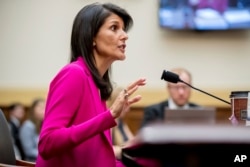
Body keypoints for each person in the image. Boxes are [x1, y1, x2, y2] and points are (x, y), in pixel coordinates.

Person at [35, 2, 146, 167]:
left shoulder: (96, 85)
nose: (124, 35)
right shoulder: (74, 74)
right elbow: (47, 143)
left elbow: (96, 158)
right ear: (92, 37)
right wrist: (109, 116)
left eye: (123, 29)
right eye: (114, 28)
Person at [107, 87, 134, 160]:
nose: (128, 109)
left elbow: (132, 142)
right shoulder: (108, 124)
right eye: (126, 105)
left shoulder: (121, 122)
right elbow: (106, 151)